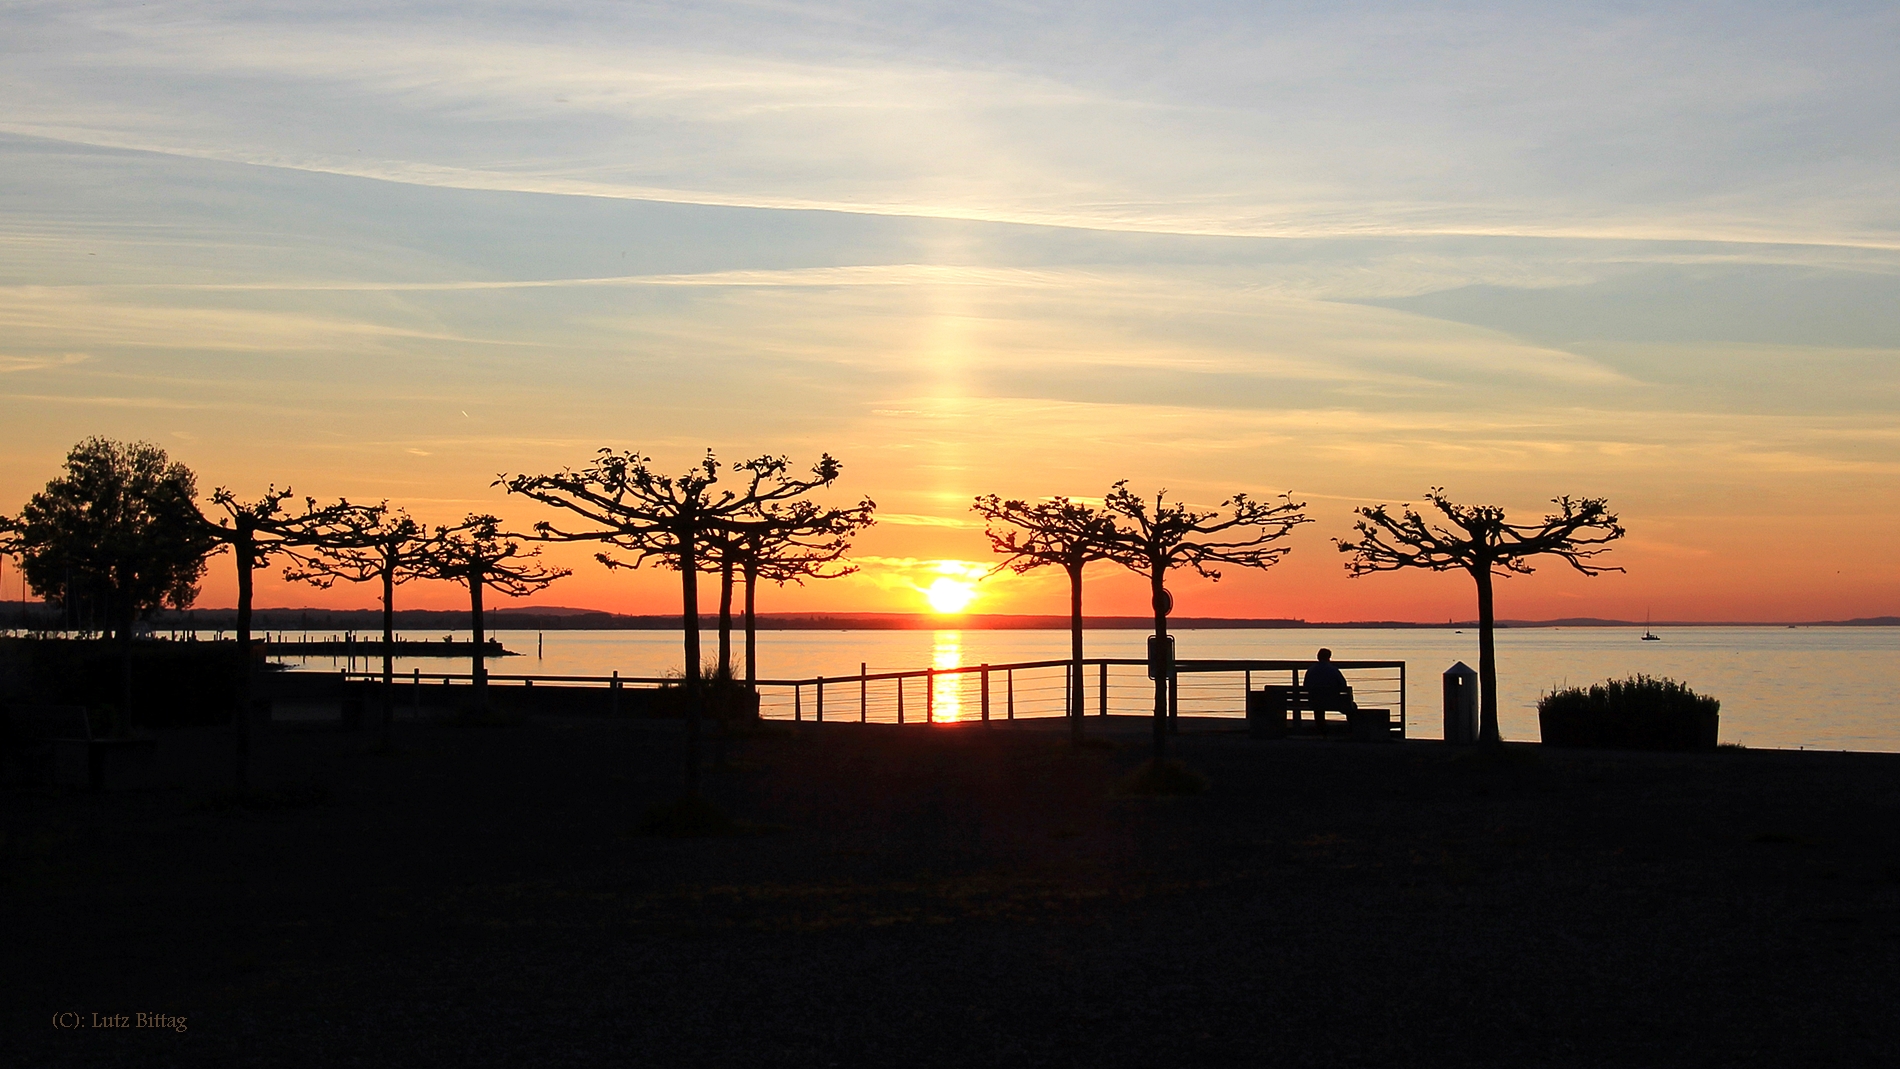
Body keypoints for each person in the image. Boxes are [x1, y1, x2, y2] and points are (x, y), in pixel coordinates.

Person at [1302, 648, 1352, 731]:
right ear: (1329, 657)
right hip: (1332, 701)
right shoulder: (1333, 669)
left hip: (1314, 702)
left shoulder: (1311, 670)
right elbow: (1343, 685)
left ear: (1318, 657)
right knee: (1351, 705)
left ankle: (1320, 728)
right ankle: (1352, 728)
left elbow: (1306, 685)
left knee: (1318, 704)